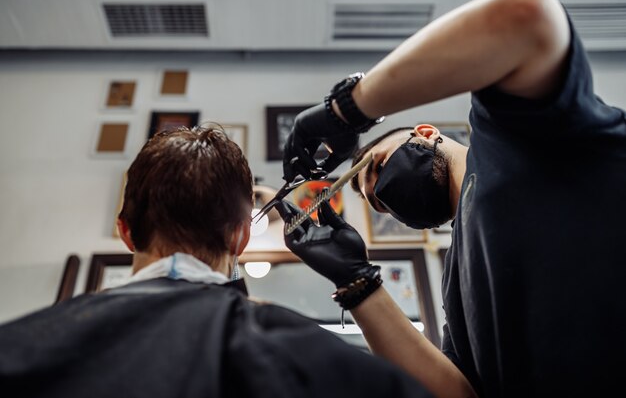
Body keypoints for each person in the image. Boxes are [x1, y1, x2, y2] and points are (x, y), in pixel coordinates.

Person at [277, 0, 626, 398]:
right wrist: (357, 285)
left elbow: (525, 14)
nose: (384, 197)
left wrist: (347, 110)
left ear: (426, 133)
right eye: (378, 204)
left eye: (379, 167)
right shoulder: (455, 286)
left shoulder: (511, 137)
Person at [0, 126, 434, 398]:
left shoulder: (20, 347)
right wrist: (360, 282)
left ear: (125, 231)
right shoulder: (302, 359)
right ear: (242, 236)